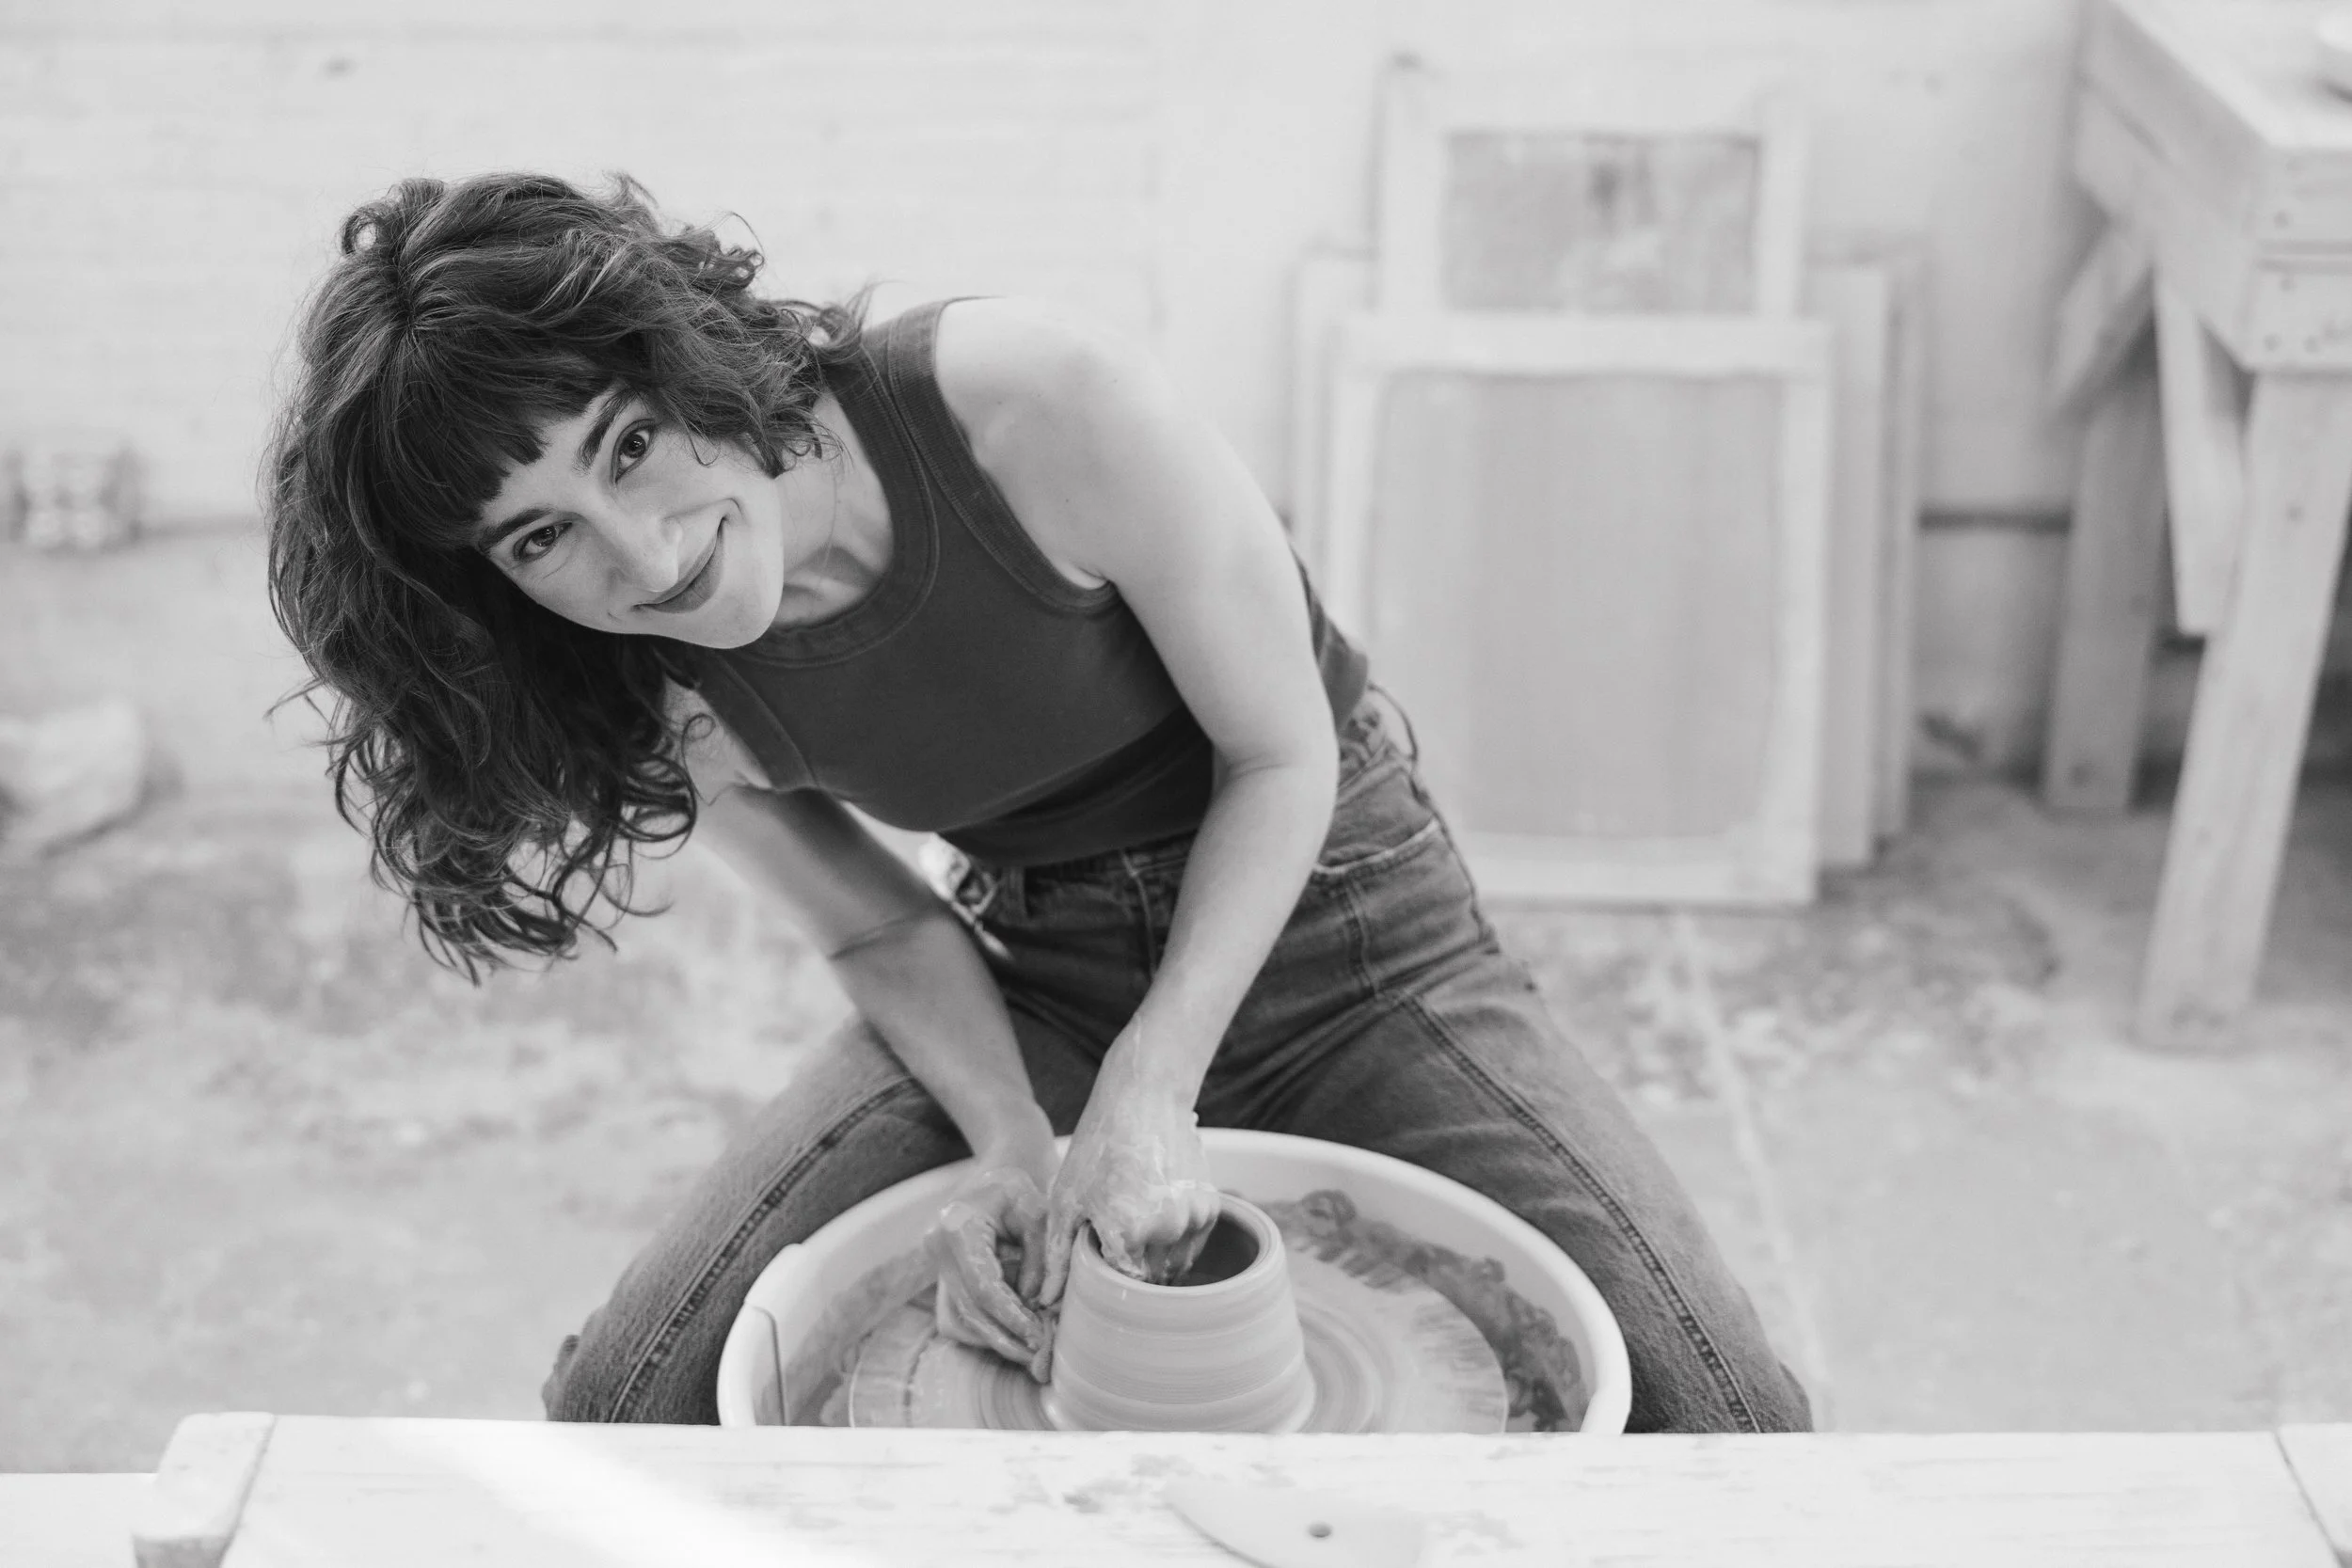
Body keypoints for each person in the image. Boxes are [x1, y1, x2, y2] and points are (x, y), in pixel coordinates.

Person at [266, 170, 1811, 1433]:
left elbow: (1284, 757)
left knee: (1727, 1419)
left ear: (678, 362)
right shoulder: (628, 686)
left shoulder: (1026, 400)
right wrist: (1011, 1133)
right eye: (541, 540)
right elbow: (877, 926)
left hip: (1351, 930)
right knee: (630, 1400)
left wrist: (1153, 1089)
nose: (641, 554)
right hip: (1039, 967)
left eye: (627, 447)